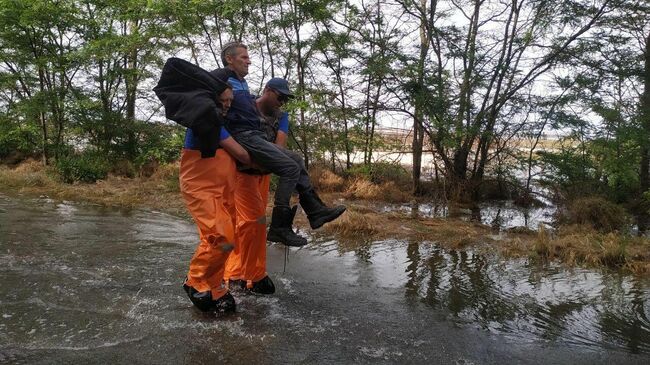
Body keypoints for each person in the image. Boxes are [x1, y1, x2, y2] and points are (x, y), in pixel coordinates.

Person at [211, 42, 346, 248]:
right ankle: (279, 228)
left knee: (296, 159)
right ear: (230, 59)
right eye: (244, 57)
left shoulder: (242, 84)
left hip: (253, 136)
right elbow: (212, 109)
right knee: (290, 168)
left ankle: (315, 211)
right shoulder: (221, 77)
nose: (249, 61)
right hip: (244, 137)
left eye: (249, 57)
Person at [154, 58, 252, 313]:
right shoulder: (206, 121)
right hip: (202, 189)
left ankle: (216, 284)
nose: (228, 107)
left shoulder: (222, 120)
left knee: (228, 240)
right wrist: (275, 160)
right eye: (225, 102)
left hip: (223, 190)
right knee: (221, 237)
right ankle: (195, 280)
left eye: (231, 102)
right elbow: (242, 155)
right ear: (215, 99)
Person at [224, 78, 296, 294]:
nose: (282, 102)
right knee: (248, 223)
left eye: (285, 98)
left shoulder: (282, 117)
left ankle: (253, 272)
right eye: (279, 96)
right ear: (267, 91)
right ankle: (236, 274)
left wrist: (260, 157)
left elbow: (279, 148)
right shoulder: (246, 108)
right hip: (241, 173)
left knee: (255, 224)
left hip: (262, 175)